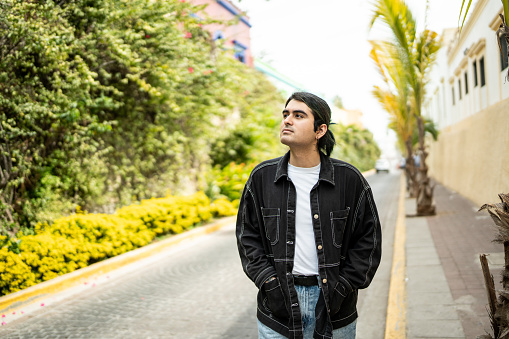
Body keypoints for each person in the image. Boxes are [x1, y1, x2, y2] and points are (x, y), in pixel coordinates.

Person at [235, 92, 382, 339]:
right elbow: (247, 237)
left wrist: (342, 287)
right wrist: (269, 283)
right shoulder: (262, 178)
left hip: (335, 311)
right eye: (286, 114)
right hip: (277, 312)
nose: (287, 120)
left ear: (320, 130)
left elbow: (368, 241)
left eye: (298, 115)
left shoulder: (349, 180)